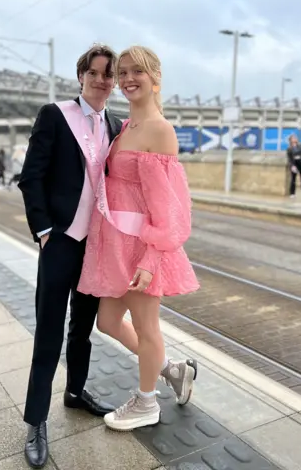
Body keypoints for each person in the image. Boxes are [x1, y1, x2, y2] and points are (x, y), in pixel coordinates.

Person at [76, 45, 200, 432]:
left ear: (155, 79)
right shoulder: (126, 126)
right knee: (109, 321)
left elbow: (169, 208)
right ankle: (172, 370)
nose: (128, 79)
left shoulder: (160, 131)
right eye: (123, 72)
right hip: (115, 246)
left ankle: (147, 402)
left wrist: (150, 260)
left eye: (137, 72)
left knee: (148, 329)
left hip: (142, 249)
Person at [18, 43, 122, 469]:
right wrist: (44, 231)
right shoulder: (56, 115)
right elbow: (31, 177)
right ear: (81, 75)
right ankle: (36, 421)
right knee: (49, 330)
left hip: (96, 244)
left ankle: (75, 392)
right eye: (94, 73)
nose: (101, 80)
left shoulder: (116, 124)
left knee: (82, 328)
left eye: (108, 75)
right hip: (61, 241)